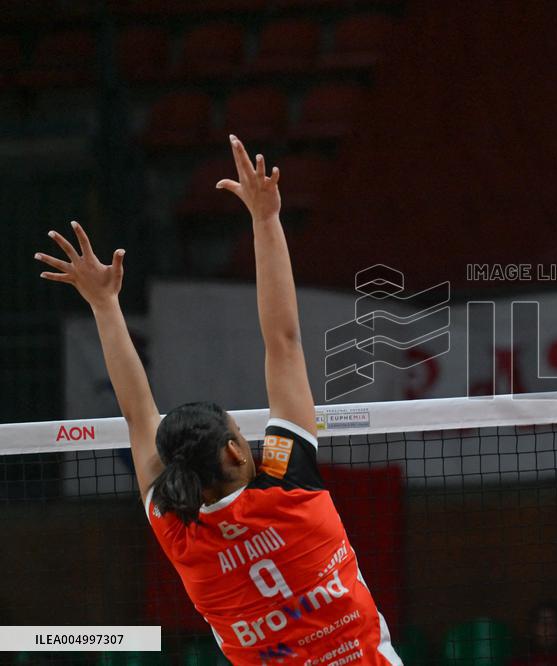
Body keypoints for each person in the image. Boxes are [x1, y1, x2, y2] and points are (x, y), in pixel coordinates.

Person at [35, 135, 402, 666]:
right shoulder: (284, 484)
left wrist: (103, 305)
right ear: (234, 452)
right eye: (240, 432)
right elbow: (283, 341)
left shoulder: (181, 531)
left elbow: (138, 417)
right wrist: (266, 218)